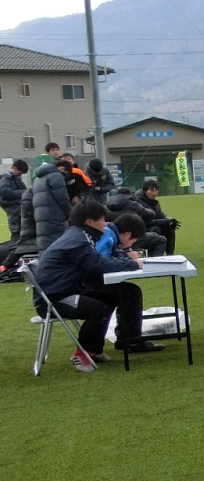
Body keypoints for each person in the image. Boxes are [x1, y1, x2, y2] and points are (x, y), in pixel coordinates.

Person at [29, 200, 163, 370]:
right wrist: (133, 264)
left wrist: (126, 262)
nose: (105, 223)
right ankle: (83, 354)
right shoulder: (78, 240)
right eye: (102, 219)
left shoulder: (80, 235)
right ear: (89, 221)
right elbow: (98, 265)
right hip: (54, 299)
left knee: (118, 295)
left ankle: (99, 348)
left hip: (65, 290)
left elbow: (99, 261)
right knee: (99, 308)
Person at [31, 158, 74, 253]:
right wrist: (71, 213)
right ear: (63, 169)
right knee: (59, 247)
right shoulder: (56, 176)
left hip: (41, 217)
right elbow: (62, 199)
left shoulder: (38, 178)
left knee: (45, 246)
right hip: (55, 218)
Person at [138, 180, 180, 253]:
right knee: (156, 229)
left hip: (152, 226)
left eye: (156, 190)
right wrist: (165, 221)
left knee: (170, 228)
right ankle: (155, 255)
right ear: (145, 191)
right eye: (152, 190)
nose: (154, 193)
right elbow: (146, 222)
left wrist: (170, 221)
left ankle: (170, 255)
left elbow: (161, 215)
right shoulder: (139, 203)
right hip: (142, 229)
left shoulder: (154, 202)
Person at [2, 158, 27, 239]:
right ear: (14, 168)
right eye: (20, 173)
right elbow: (5, 193)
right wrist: (22, 192)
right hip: (13, 209)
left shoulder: (15, 179)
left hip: (18, 208)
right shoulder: (5, 179)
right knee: (16, 233)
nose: (20, 175)